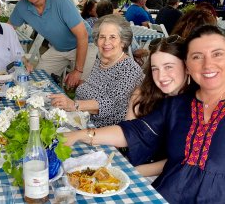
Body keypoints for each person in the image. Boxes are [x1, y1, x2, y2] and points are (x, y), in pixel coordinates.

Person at [65, 24, 225, 203]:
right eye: (197, 57)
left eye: (218, 54)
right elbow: (135, 131)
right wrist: (80, 135)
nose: (207, 64)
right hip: (166, 192)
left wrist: (130, 171)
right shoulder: (176, 104)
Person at [10, 0, 97, 88]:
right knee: (37, 81)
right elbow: (6, 31)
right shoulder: (22, 7)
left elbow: (82, 35)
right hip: (59, 49)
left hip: (84, 45)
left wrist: (78, 71)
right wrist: (21, 57)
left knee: (83, 89)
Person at [49, 15, 143, 127]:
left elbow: (110, 104)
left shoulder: (129, 69)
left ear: (123, 41)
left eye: (112, 37)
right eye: (102, 37)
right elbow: (96, 86)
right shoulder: (101, 60)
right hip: (80, 118)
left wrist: (74, 105)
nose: (106, 42)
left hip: (101, 130)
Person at [126, 35, 187, 177]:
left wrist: (130, 173)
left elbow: (179, 159)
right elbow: (128, 138)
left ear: (186, 66)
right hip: (136, 164)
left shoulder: (195, 103)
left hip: (169, 176)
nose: (161, 76)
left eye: (168, 67)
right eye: (155, 69)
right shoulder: (143, 94)